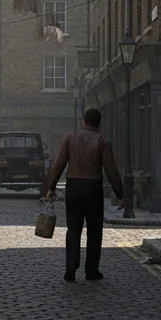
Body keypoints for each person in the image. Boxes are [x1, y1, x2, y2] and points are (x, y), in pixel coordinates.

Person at [46, 108, 123, 282]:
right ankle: (91, 271)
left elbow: (58, 165)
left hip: (73, 187)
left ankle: (70, 270)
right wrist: (120, 193)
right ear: (99, 124)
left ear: (84, 122)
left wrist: (50, 187)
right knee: (94, 231)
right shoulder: (102, 142)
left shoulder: (70, 139)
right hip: (93, 188)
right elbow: (112, 171)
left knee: (73, 229)